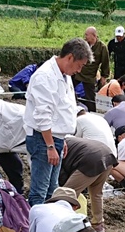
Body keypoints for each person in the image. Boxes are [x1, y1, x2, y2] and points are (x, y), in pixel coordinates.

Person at [24, 38, 88, 205]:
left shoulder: (64, 75)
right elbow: (43, 115)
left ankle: (49, 225)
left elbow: (63, 108)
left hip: (53, 138)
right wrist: (50, 145)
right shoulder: (45, 76)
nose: (79, 70)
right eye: (79, 65)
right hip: (42, 138)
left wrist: (61, 137)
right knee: (40, 191)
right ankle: (37, 227)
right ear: (69, 57)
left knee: (52, 189)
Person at [59, 135, 115, 232]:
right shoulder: (67, 139)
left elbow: (62, 176)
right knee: (96, 193)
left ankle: (68, 226)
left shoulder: (56, 145)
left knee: (65, 194)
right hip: (107, 154)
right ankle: (98, 226)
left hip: (91, 159)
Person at [80, 27, 110, 110]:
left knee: (90, 98)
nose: (85, 36)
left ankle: (92, 112)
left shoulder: (102, 47)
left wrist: (104, 76)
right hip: (78, 71)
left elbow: (105, 63)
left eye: (87, 35)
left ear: (94, 35)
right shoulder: (83, 44)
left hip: (90, 75)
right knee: (68, 87)